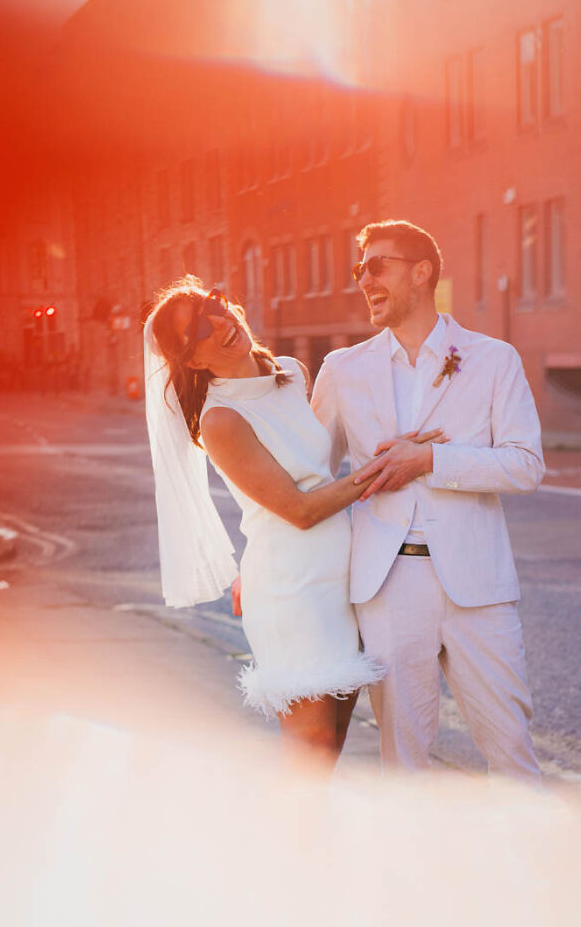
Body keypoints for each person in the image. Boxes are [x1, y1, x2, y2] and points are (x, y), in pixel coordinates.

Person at [143, 276, 442, 767]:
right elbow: (299, 510)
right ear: (192, 361)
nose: (219, 323)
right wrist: (388, 467)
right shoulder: (222, 421)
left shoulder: (291, 372)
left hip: (344, 580)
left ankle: (307, 844)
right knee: (311, 750)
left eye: (211, 305)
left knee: (336, 740)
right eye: (198, 329)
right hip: (292, 590)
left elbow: (318, 460)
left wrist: (397, 443)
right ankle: (282, 844)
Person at [312, 220, 544, 781]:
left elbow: (525, 464)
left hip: (479, 586)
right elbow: (309, 479)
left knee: (511, 750)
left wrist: (432, 461)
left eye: (376, 266)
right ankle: (416, 870)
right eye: (358, 270)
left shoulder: (493, 359)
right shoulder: (342, 370)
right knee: (404, 763)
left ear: (422, 273)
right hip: (387, 587)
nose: (363, 280)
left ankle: (536, 866)